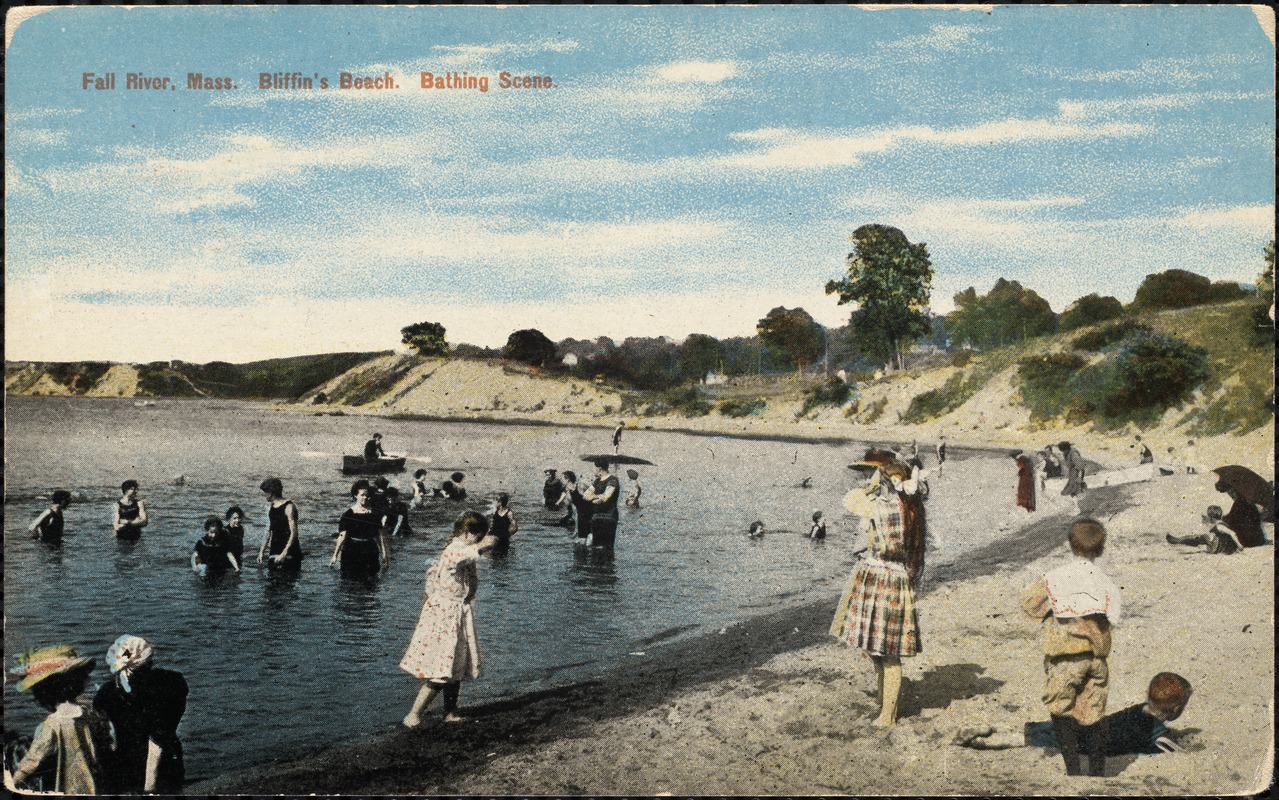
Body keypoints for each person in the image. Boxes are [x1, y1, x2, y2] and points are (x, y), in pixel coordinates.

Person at [830, 453, 926, 726]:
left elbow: (849, 499)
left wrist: (872, 484)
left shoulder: (881, 507)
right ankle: (885, 703)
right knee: (883, 649)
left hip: (879, 577)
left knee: (885, 652)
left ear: (888, 481)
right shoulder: (910, 508)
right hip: (894, 577)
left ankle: (888, 713)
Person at [1021, 519, 1121, 777]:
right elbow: (1115, 615)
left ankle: (1073, 769)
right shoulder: (1105, 581)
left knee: (1061, 708)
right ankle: (1097, 771)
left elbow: (1030, 605)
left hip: (1065, 658)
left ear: (1070, 544)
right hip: (1096, 658)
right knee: (1094, 711)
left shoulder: (1054, 577)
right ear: (1100, 549)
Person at [400, 511, 497, 727]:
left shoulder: (463, 548)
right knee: (441, 668)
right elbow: (464, 557)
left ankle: (450, 712)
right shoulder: (454, 550)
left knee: (456, 667)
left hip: (456, 613)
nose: (480, 539)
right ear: (467, 533)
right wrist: (484, 544)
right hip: (445, 616)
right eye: (478, 535)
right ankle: (414, 714)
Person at [955, 673, 1193, 757]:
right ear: (1174, 710)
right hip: (1089, 742)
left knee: (1046, 729)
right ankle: (987, 742)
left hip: (1090, 724)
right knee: (1039, 740)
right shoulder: (1156, 731)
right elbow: (1165, 746)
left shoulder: (1139, 708)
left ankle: (992, 729)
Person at [7, 645, 112, 794]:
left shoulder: (53, 723)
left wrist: (14, 780)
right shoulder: (92, 714)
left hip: (71, 787)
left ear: (44, 692)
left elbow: (34, 759)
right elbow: (109, 743)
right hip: (99, 784)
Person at [93, 635, 188, 794]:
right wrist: (148, 789)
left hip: (124, 765)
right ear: (148, 661)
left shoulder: (106, 693)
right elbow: (159, 739)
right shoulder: (172, 683)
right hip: (166, 765)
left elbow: (108, 739)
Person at [330, 479, 390, 575]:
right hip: (352, 550)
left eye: (367, 495)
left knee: (371, 581)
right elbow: (342, 536)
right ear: (355, 495)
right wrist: (335, 556)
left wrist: (384, 555)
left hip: (370, 550)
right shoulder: (348, 514)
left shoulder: (374, 514)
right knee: (350, 581)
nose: (365, 498)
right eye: (362, 495)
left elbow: (380, 536)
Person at [257, 478, 302, 571]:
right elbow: (268, 531)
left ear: (272, 492)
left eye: (266, 492)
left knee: (288, 582)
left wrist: (284, 553)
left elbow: (294, 533)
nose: (265, 495)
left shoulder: (289, 507)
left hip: (290, 552)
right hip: (275, 550)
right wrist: (261, 551)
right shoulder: (271, 508)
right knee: (271, 583)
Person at [585, 459, 621, 548]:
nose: (592, 471)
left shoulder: (613, 480)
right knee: (596, 546)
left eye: (594, 468)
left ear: (599, 469)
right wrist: (597, 497)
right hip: (596, 517)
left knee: (606, 547)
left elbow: (606, 497)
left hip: (608, 517)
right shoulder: (597, 481)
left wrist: (594, 497)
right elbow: (586, 495)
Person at [1059, 441, 1087, 511]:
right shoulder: (1068, 453)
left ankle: (1077, 508)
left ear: (1066, 449)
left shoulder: (1073, 454)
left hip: (1076, 474)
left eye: (1063, 451)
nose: (1062, 453)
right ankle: (1077, 507)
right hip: (1072, 474)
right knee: (1072, 492)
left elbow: (1080, 467)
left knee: (1073, 491)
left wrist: (1080, 478)